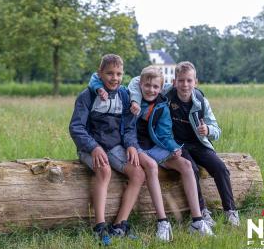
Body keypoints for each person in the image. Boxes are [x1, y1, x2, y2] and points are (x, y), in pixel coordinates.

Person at [90, 65, 214, 239]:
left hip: (153, 144)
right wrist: (99, 88)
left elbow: (164, 133)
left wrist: (173, 148)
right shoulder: (130, 96)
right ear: (140, 84)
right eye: (147, 85)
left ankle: (197, 220)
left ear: (161, 87)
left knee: (185, 165)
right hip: (133, 144)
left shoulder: (162, 104)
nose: (151, 90)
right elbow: (96, 78)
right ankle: (162, 222)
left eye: (156, 86)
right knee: (151, 165)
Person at [128, 61, 240, 227]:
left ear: (196, 82)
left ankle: (230, 210)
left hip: (199, 143)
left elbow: (217, 129)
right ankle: (202, 211)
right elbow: (138, 80)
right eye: (181, 80)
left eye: (189, 80)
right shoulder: (167, 91)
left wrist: (208, 130)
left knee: (220, 167)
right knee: (191, 168)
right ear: (174, 82)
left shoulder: (201, 101)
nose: (185, 84)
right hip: (178, 144)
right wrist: (136, 101)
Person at [69, 54, 146, 246]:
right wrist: (93, 147)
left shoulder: (124, 95)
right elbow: (76, 127)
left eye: (119, 74)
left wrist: (131, 145)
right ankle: (100, 227)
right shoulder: (87, 96)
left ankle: (120, 225)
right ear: (100, 74)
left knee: (138, 173)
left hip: (114, 146)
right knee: (104, 170)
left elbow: (128, 127)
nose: (115, 78)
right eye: (110, 73)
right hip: (90, 146)